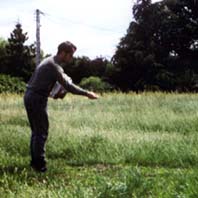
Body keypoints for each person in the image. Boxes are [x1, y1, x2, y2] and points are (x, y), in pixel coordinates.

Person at [24, 41, 99, 172]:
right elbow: (68, 86)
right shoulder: (54, 66)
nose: (72, 58)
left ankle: (35, 162)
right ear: (63, 53)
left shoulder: (50, 61)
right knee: (41, 131)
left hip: (31, 95)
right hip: (36, 98)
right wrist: (87, 93)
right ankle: (40, 166)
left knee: (36, 131)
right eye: (70, 55)